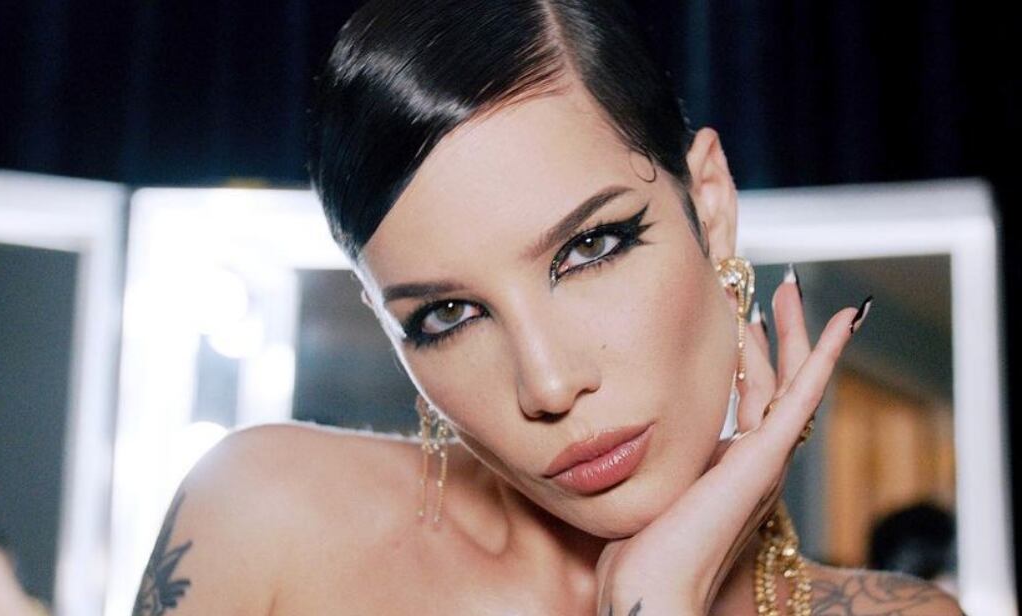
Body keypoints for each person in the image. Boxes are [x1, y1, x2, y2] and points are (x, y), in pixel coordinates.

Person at [133, 1, 965, 614]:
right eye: (446, 316)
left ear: (708, 206)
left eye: (590, 248)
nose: (550, 384)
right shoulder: (262, 519)